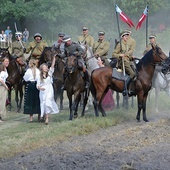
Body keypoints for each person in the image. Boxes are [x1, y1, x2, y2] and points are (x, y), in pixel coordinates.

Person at [112, 31, 136, 96]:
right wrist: (120, 55)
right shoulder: (119, 44)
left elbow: (126, 55)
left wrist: (131, 57)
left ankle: (132, 89)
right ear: (122, 37)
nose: (127, 37)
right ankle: (125, 89)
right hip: (122, 62)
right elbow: (113, 54)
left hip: (127, 61)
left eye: (127, 36)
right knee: (132, 74)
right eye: (125, 36)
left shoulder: (126, 45)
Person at [37, 55, 59, 125]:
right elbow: (37, 85)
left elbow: (52, 66)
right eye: (45, 67)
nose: (46, 68)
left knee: (48, 102)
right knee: (43, 103)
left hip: (49, 89)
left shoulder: (49, 73)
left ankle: (47, 118)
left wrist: (54, 58)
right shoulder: (39, 76)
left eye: (46, 67)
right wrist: (40, 88)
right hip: (43, 91)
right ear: (42, 69)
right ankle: (44, 116)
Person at [0, 58, 9, 122]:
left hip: (3, 86)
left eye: (8, 61)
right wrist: (5, 86)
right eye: (5, 61)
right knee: (1, 102)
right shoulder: (2, 70)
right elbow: (1, 79)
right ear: (3, 62)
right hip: (1, 86)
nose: (7, 62)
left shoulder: (5, 69)